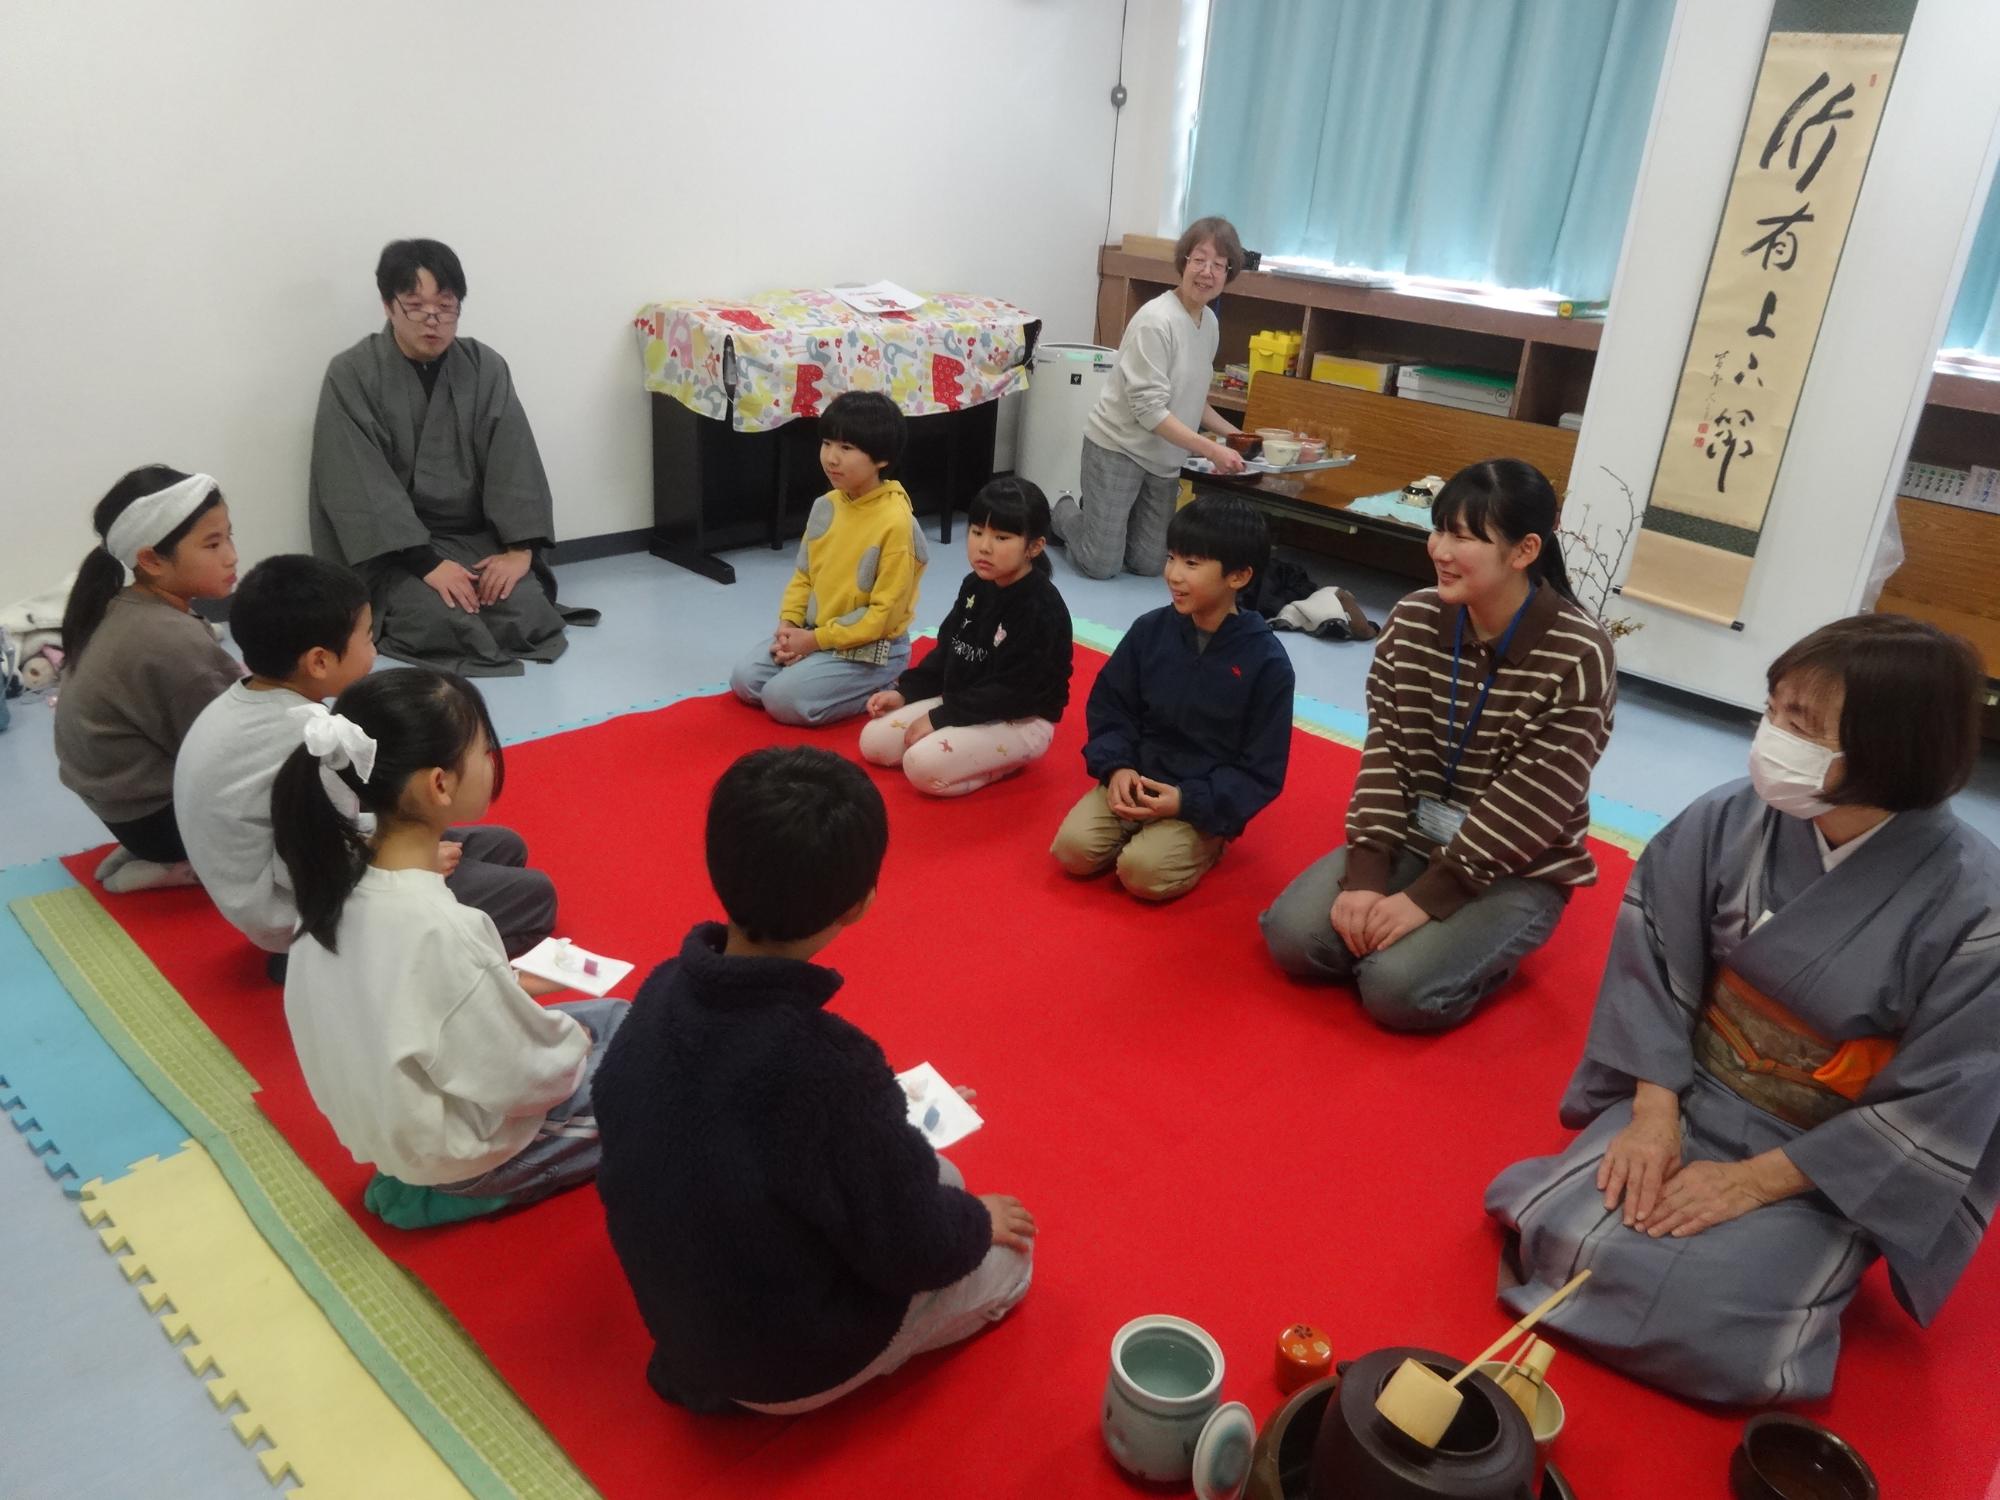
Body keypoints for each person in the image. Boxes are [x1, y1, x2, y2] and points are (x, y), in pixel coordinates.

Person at [1486, 616, 2000, 1405]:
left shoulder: (1977, 908)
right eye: (1776, 708)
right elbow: (1653, 954)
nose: (1773, 736)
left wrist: (1755, 1183)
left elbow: (1952, 1093)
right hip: (1693, 1088)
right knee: (1565, 1231)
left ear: (1888, 751)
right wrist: (1654, 1111)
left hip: (1826, 1154)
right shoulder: (1729, 819)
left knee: (1722, 1322)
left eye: (1803, 724)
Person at [594, 746, 1036, 1413]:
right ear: (858, 905)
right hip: (782, 1363)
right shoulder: (828, 1064)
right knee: (1008, 1258)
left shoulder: (660, 990)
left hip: (686, 1318)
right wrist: (976, 1226)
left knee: (936, 1179)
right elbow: (913, 1249)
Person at [1260, 460, 1615, 1031]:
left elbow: (1533, 802)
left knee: (1392, 990)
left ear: (1524, 551)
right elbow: (1385, 753)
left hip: (1517, 866)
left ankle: (1489, 956)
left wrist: (1425, 900)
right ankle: (1435, 942)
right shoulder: (1413, 619)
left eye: (1465, 537)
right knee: (1292, 939)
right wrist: (1370, 872)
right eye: (1439, 529)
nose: (1441, 550)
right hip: (1414, 837)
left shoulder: (1579, 652)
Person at [271, 667, 623, 1229]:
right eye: (485, 749)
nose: (492, 759)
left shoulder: (329, 892)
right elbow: (521, 1076)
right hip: (459, 1153)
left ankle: (428, 1170)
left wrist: (511, 992)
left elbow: (413, 1010)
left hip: (391, 1122)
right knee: (654, 1071)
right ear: (440, 784)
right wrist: (568, 1048)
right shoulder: (442, 926)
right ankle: (466, 1190)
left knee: (616, 1018)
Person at [174, 555, 556, 980]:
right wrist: (416, 863)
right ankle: (348, 963)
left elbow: (319, 830)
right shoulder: (312, 742)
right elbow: (313, 867)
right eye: (368, 638)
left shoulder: (245, 701)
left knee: (503, 845)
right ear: (319, 661)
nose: (374, 651)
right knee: (535, 898)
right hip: (301, 908)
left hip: (285, 874)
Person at [309, 238, 583, 679]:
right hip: (393, 553)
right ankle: (416, 598)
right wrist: (428, 565)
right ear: (388, 306)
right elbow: (357, 482)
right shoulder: (353, 373)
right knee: (443, 619)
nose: (432, 321)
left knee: (526, 613)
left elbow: (514, 461)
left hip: (475, 539)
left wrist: (518, 552)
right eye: (416, 306)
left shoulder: (485, 366)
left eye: (446, 305)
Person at [1051, 493, 1294, 900]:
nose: (1174, 574)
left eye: (1192, 564)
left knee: (1141, 873)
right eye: (1172, 558)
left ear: (1238, 576)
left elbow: (1260, 770)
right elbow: (1112, 706)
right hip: (1137, 778)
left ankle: (1208, 844)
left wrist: (1187, 801)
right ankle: (1142, 823)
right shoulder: (1151, 630)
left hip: (1200, 799)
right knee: (1072, 851)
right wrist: (1117, 768)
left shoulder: (1266, 662)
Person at [54, 466, 239, 893]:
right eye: (212, 544)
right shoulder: (169, 639)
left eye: (229, 536)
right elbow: (235, 748)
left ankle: (150, 850)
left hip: (124, 812)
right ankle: (180, 864)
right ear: (151, 560)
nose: (230, 555)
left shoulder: (123, 603)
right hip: (159, 819)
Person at [1049, 216, 1248, 580]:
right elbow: (1151, 413)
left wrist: (1236, 437)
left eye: (1219, 265)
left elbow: (1195, 399)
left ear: (1228, 273)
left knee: (1149, 564)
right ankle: (1062, 511)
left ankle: (1098, 518)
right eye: (1199, 259)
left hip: (1164, 458)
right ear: (1183, 261)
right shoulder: (1156, 321)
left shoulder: (1210, 325)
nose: (1207, 272)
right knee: (1100, 564)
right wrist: (1211, 449)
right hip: (1118, 446)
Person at [860, 477, 1074, 796]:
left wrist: (939, 717)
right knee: (873, 742)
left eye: (1001, 537)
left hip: (1020, 719)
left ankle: (1001, 765)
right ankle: (962, 747)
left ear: (1034, 547)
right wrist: (906, 692)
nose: (983, 546)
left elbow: (1014, 691)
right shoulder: (975, 585)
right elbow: (948, 649)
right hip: (964, 700)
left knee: (920, 765)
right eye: (976, 532)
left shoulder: (1039, 607)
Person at [730, 391, 928, 726]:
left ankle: (885, 683)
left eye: (846, 448)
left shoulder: (895, 522)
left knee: (782, 701)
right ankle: (816, 667)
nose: (831, 458)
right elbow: (804, 574)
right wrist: (788, 626)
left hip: (874, 647)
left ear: (882, 459)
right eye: (826, 444)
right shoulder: (827, 504)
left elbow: (881, 615)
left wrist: (812, 642)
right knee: (746, 681)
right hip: (817, 633)